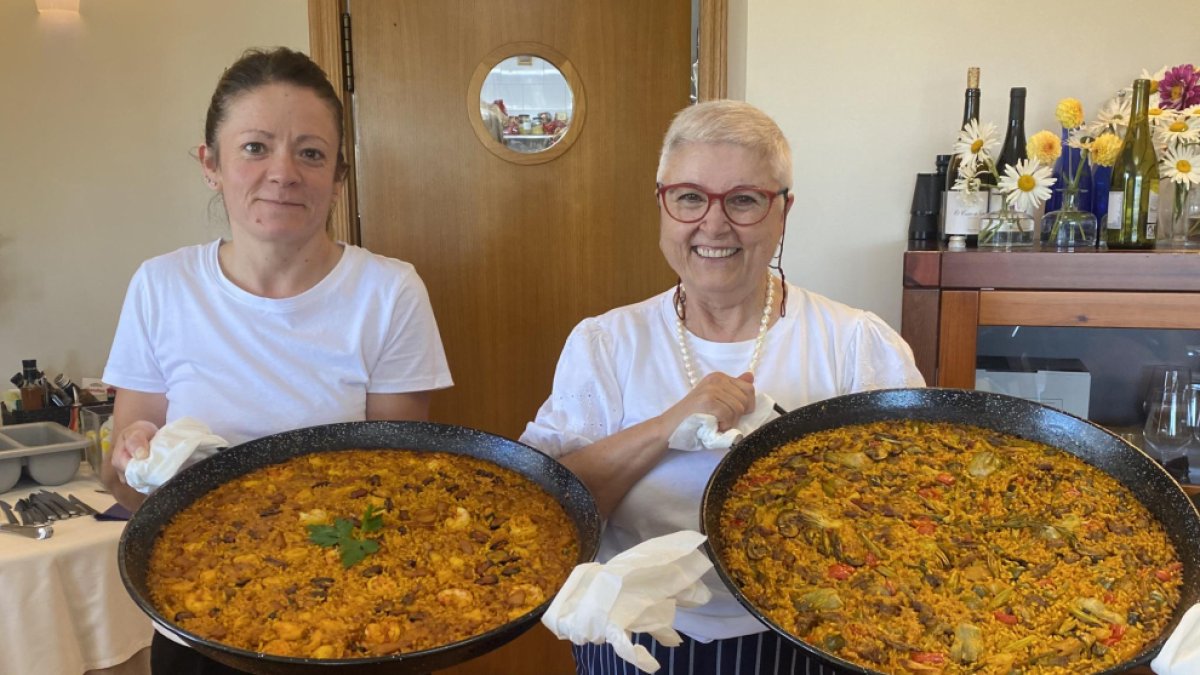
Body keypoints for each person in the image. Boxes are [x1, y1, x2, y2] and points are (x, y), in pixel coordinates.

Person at [520, 100, 924, 675]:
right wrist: (668, 427)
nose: (713, 224)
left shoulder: (857, 343)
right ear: (661, 206)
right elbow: (554, 509)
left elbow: (909, 519)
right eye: (689, 197)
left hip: (806, 637)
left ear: (783, 211)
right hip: (636, 636)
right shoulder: (605, 343)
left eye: (744, 200)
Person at [101, 47, 452, 674]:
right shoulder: (162, 286)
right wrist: (133, 455)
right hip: (197, 621)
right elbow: (128, 491)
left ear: (339, 176)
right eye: (255, 147)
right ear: (209, 164)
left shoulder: (389, 292)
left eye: (310, 153)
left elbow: (395, 484)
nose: (283, 173)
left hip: (350, 629)